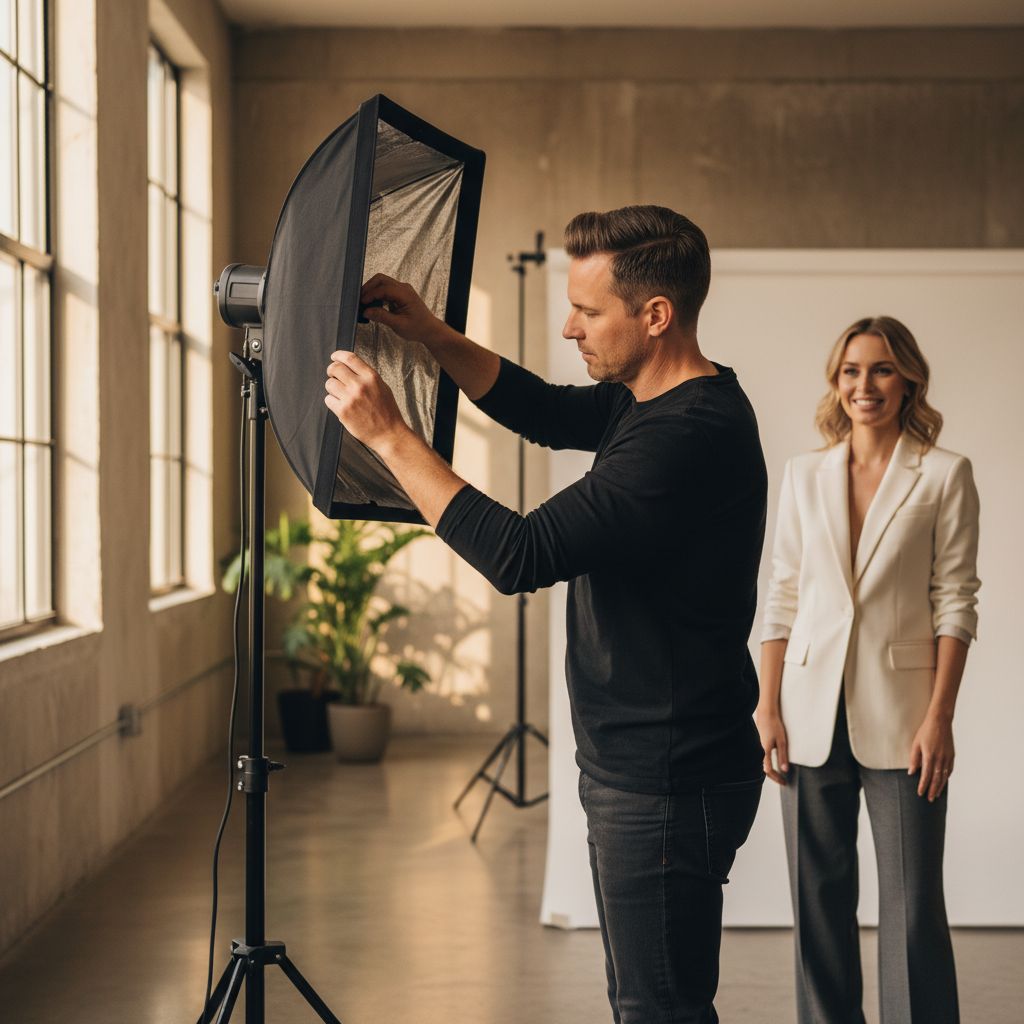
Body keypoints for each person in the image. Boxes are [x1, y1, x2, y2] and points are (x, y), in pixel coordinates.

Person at [323, 205, 767, 1024]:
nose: (569, 327)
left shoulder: (686, 438)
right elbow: (549, 411)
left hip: (667, 775)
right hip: (645, 763)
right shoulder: (651, 400)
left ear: (655, 315)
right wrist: (433, 335)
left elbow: (520, 555)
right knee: (646, 996)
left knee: (657, 1007)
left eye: (589, 311)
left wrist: (390, 437)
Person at [756, 316, 980, 1024]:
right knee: (815, 903)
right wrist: (767, 704)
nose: (865, 385)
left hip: (905, 720)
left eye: (881, 370)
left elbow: (955, 602)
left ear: (908, 379)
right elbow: (782, 593)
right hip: (806, 711)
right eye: (852, 371)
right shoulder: (803, 474)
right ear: (836, 381)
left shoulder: (944, 474)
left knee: (912, 908)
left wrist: (939, 717)